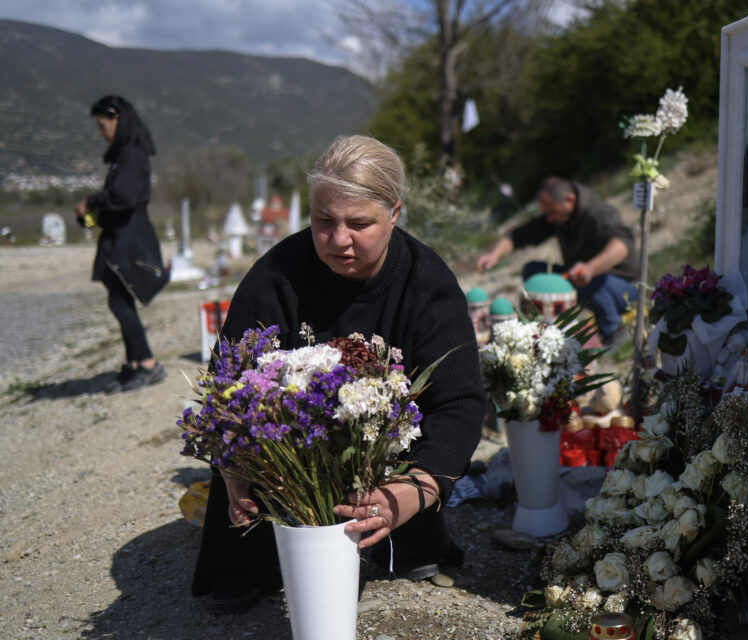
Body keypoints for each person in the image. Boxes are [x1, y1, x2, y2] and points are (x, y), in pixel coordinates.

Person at [191, 135, 485, 614]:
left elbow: (460, 401)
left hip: (389, 466)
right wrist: (233, 469)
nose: (338, 239)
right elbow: (226, 384)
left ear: (395, 212)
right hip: (287, 467)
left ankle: (407, 538)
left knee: (404, 527)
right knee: (243, 564)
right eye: (323, 221)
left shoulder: (427, 284)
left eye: (359, 223)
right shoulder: (275, 277)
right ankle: (253, 558)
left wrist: (418, 488)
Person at [74, 96, 168, 393]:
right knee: (121, 298)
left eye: (102, 125)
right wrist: (93, 215)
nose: (99, 132)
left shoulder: (132, 154)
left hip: (130, 240)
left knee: (119, 300)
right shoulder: (124, 155)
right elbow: (119, 199)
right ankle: (134, 365)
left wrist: (91, 201)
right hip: (120, 236)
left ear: (118, 119)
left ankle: (149, 364)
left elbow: (124, 196)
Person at [475, 177, 639, 346]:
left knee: (590, 282)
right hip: (580, 277)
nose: (549, 219)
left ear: (570, 200)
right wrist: (494, 255)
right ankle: (545, 328)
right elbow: (518, 236)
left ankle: (612, 331)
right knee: (534, 273)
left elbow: (621, 246)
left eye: (552, 213)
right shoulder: (559, 216)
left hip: (624, 288)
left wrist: (591, 268)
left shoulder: (599, 213)